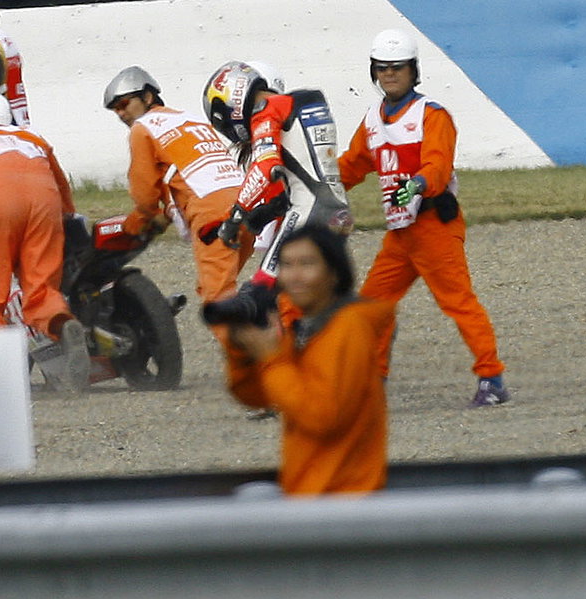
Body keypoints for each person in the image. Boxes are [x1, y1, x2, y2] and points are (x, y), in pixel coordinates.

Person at [337, 29, 510, 408]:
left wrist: (415, 185)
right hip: (401, 233)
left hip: (434, 226)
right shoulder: (371, 120)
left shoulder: (433, 115)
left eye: (397, 68)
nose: (389, 74)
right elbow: (351, 166)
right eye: (382, 68)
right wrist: (317, 186)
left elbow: (438, 164)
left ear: (413, 71)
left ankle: (492, 379)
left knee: (458, 302)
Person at [224, 226, 395, 495]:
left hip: (342, 499)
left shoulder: (349, 328)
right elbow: (256, 397)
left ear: (334, 273)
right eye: (287, 265)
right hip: (313, 491)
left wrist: (273, 360)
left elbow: (321, 417)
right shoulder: (308, 326)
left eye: (307, 264)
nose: (295, 276)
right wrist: (243, 352)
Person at [0, 91, 89, 392]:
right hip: (44, 204)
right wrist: (67, 218)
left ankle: (1, 377)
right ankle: (63, 324)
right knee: (41, 289)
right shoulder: (33, 138)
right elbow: (61, 185)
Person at [95, 66, 249, 314]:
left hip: (213, 216)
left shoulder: (142, 128)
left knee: (218, 301)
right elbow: (189, 174)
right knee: (221, 287)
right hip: (247, 204)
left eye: (124, 103)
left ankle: (263, 351)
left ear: (147, 97)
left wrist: (136, 224)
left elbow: (145, 195)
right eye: (116, 109)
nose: (121, 113)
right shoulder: (190, 119)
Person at [201, 60, 353, 292]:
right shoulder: (304, 103)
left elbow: (265, 167)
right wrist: (264, 213)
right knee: (314, 300)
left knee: (259, 293)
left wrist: (235, 216)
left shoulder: (267, 109)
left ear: (233, 98)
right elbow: (301, 173)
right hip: (338, 212)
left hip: (308, 215)